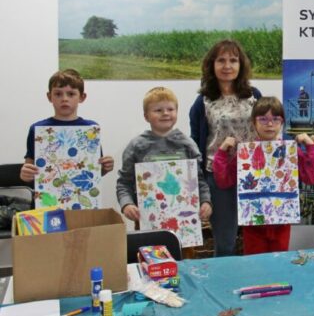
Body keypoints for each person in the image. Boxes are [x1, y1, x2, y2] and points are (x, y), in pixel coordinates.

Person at [212, 97, 314, 254]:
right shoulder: (246, 152)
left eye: (275, 119)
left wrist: (310, 147)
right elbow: (223, 181)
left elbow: (310, 177)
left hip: (281, 222)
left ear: (282, 122)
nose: (270, 124)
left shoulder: (290, 150)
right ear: (253, 123)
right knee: (255, 264)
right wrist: (222, 152)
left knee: (279, 262)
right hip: (254, 225)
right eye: (263, 119)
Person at [189, 39, 262, 256]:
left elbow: (268, 125)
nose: (227, 66)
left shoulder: (254, 95)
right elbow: (196, 142)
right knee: (225, 240)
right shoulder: (203, 101)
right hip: (218, 175)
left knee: (257, 238)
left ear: (241, 65)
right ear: (212, 65)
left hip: (254, 172)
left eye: (233, 60)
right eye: (221, 60)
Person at [116, 87, 212, 225]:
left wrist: (206, 201)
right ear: (146, 116)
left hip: (184, 222)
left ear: (177, 112)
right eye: (158, 110)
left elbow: (199, 179)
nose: (165, 113)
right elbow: (124, 182)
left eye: (170, 109)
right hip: (147, 219)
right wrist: (127, 204)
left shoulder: (188, 144)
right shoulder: (136, 146)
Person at [20, 69, 114, 183]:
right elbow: (29, 169)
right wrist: (25, 174)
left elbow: (95, 170)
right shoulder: (37, 129)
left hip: (80, 192)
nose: (64, 99)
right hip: (47, 193)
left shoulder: (90, 129)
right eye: (58, 94)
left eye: (71, 94)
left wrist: (106, 167)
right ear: (49, 97)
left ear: (82, 97)